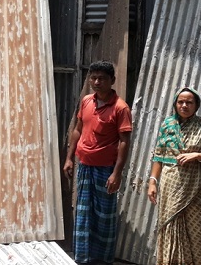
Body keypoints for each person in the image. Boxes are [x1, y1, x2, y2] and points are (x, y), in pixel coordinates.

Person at [63, 60, 133, 264]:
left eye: (102, 78)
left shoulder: (121, 108)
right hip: (84, 166)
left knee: (104, 216)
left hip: (105, 169)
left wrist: (117, 173)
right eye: (93, 78)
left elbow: (124, 141)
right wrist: (69, 158)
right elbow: (77, 129)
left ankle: (103, 260)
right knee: (84, 213)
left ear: (112, 80)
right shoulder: (86, 101)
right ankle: (83, 258)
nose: (96, 82)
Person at [146, 87, 201, 265]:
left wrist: (198, 156)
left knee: (198, 230)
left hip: (195, 188)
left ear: (196, 105)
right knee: (170, 226)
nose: (184, 105)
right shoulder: (167, 126)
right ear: (175, 103)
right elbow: (158, 156)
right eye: (181, 102)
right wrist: (152, 182)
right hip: (170, 185)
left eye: (189, 102)